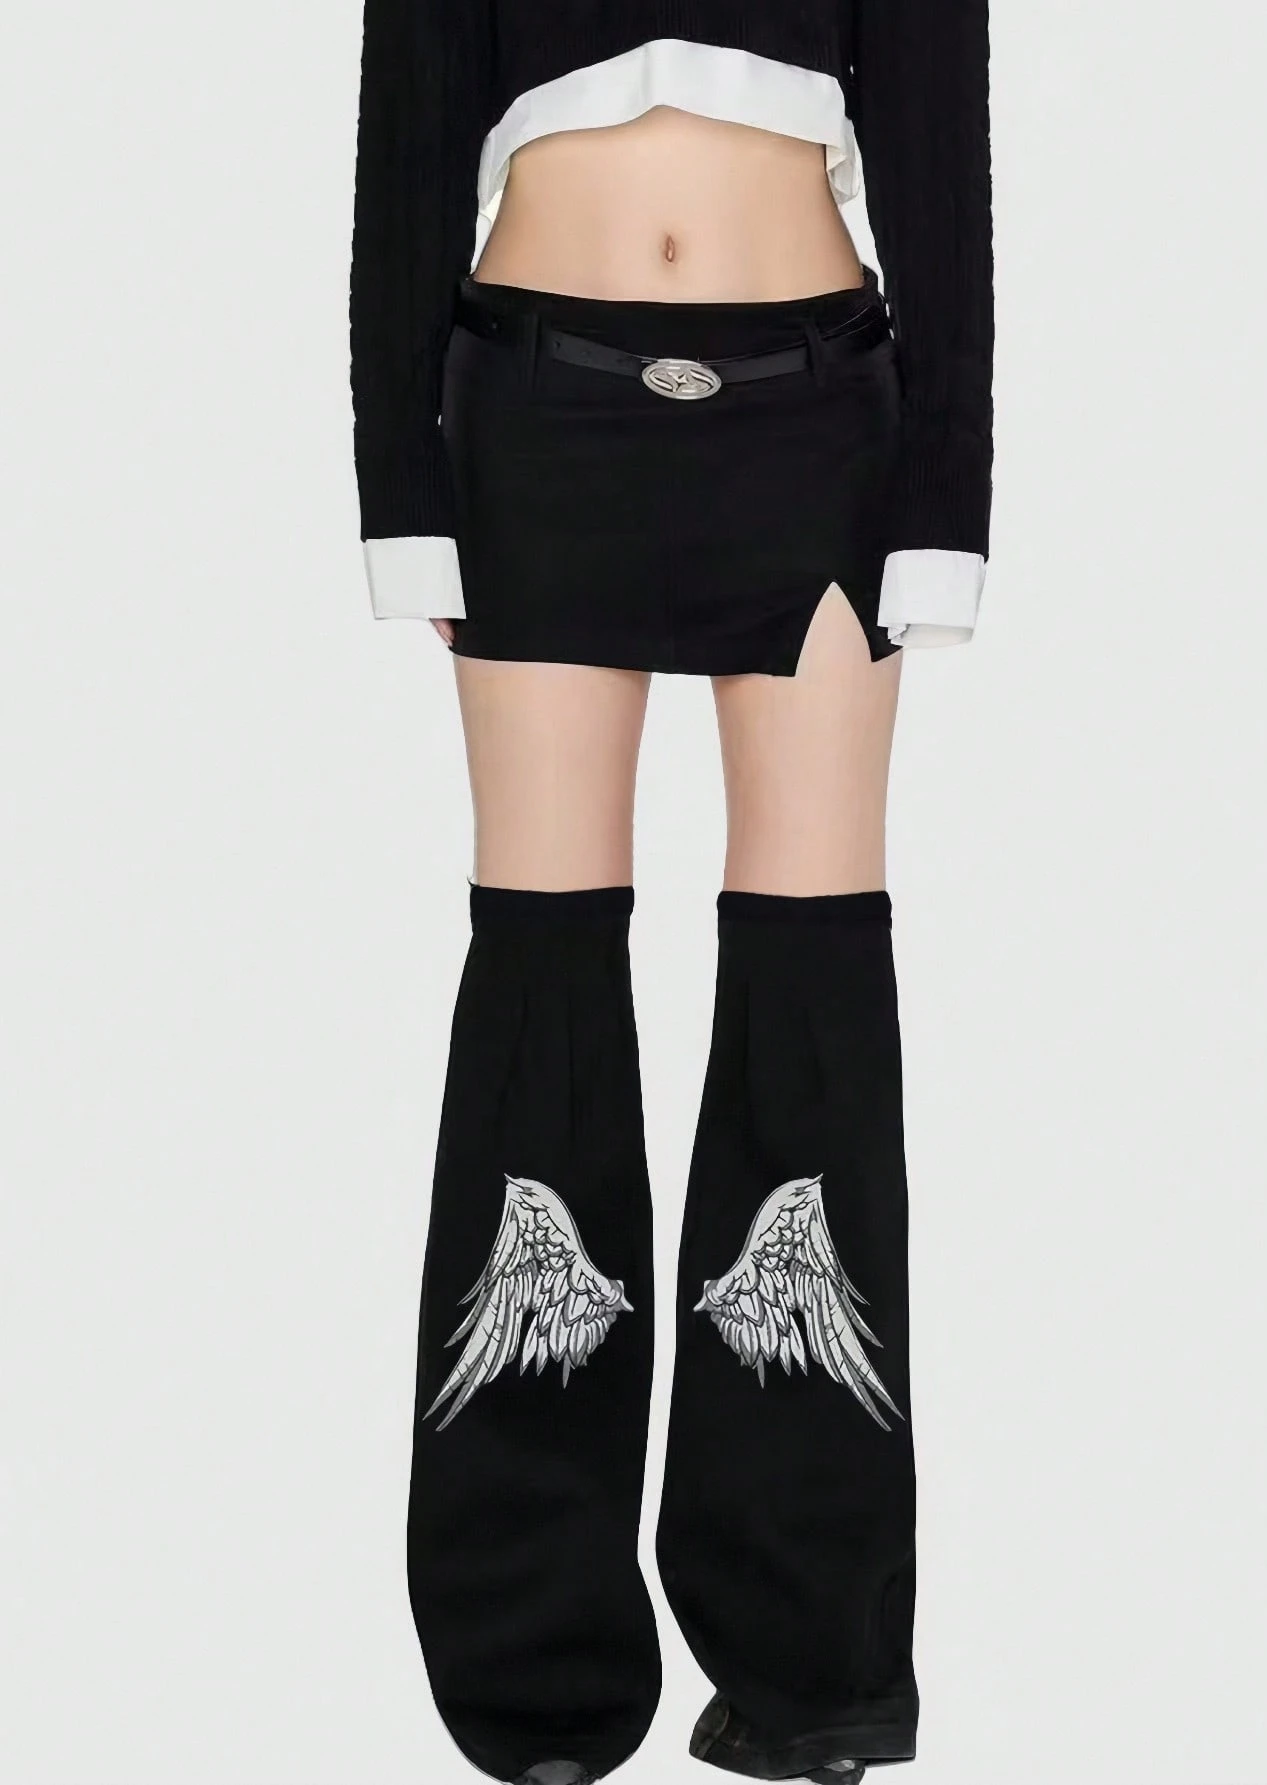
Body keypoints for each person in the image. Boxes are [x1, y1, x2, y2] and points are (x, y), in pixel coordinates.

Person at [349, 8, 992, 1784]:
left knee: (812, 982)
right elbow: (410, 151)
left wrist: (944, 508)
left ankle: (813, 1660)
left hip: (815, 414)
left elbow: (937, 157)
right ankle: (535, 1662)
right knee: (543, 979)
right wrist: (404, 494)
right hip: (534, 401)